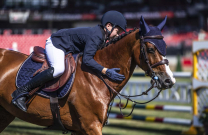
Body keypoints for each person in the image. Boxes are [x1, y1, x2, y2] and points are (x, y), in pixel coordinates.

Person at [11, 10, 127, 112]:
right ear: (108, 25)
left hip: (67, 49)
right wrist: (105, 71)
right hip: (56, 44)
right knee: (58, 69)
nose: (117, 34)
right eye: (117, 31)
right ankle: (21, 92)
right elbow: (87, 60)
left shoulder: (102, 37)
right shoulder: (96, 36)